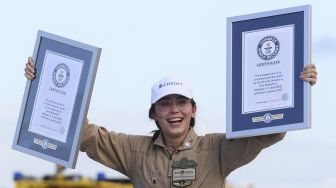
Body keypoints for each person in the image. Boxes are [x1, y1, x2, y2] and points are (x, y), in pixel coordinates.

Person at [25, 57, 317, 187]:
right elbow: (84, 134)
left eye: (181, 103)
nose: (174, 110)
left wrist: (298, 86)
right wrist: (45, 82)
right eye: (165, 104)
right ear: (153, 113)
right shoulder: (133, 151)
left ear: (192, 109)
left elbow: (269, 131)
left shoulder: (217, 149)